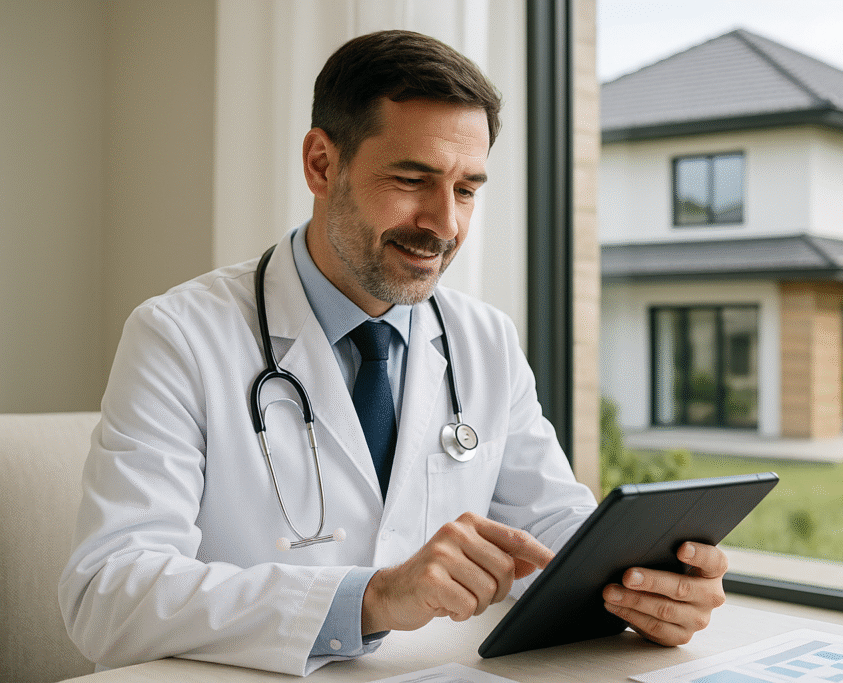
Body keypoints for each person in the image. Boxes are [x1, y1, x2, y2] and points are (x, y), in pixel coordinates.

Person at [59, 29, 728, 676]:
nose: (445, 224)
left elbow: (551, 525)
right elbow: (108, 594)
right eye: (412, 178)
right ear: (322, 164)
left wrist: (645, 584)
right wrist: (371, 597)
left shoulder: (485, 339)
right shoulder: (178, 335)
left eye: (466, 189)